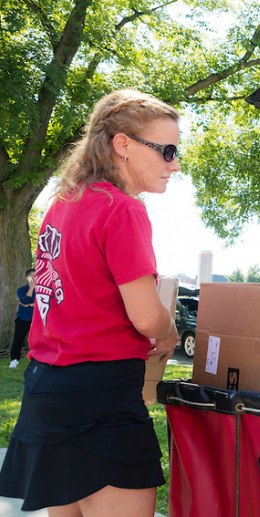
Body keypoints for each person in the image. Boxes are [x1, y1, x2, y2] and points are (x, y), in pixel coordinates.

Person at [0, 89, 181, 516]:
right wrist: (169, 331)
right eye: (167, 150)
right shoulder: (122, 210)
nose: (174, 163)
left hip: (46, 389)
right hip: (102, 396)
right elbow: (145, 316)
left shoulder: (63, 204)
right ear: (123, 145)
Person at [8, 269, 35, 368]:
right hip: (23, 319)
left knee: (40, 340)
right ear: (28, 278)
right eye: (33, 276)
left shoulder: (42, 290)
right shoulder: (21, 290)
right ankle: (14, 360)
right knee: (18, 340)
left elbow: (42, 303)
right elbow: (25, 300)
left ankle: (39, 360)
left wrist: (29, 305)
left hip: (37, 320)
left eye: (37, 276)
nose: (35, 278)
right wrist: (31, 288)